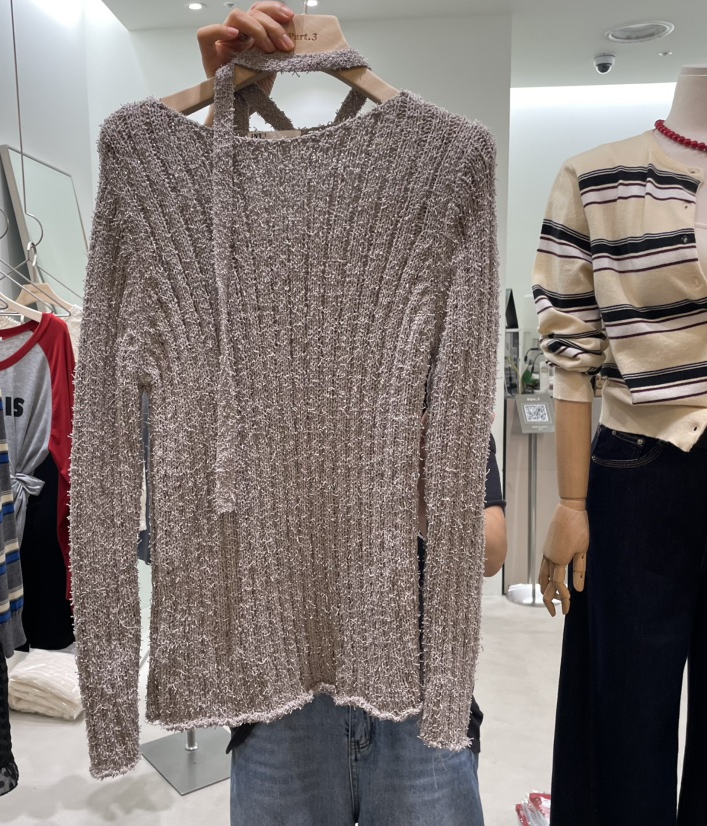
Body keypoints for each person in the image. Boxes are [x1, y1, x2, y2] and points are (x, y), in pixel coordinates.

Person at [196, 6, 507, 822]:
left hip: (418, 686)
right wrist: (218, 107)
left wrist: (388, 471)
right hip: (273, 688)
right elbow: (198, 267)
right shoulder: (241, 351)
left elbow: (490, 547)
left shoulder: (423, 352)